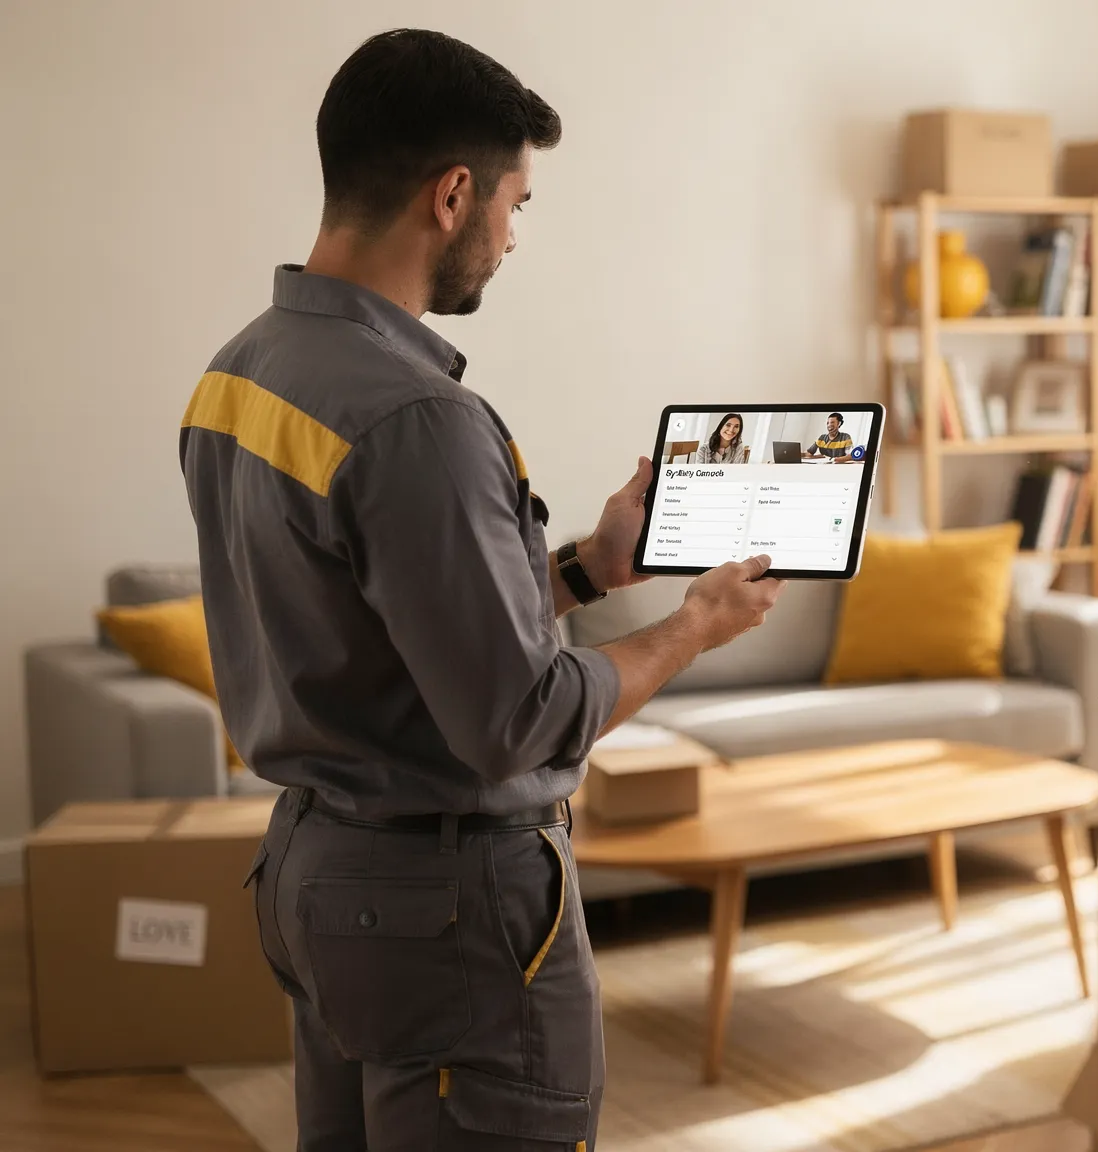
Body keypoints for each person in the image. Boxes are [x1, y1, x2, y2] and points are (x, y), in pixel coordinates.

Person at [179, 30, 784, 1149]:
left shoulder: (240, 375)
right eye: (516, 202)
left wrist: (587, 571)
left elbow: (381, 629)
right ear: (452, 195)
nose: (512, 236)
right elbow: (518, 717)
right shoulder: (420, 419)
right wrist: (690, 627)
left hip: (314, 875)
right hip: (442, 912)